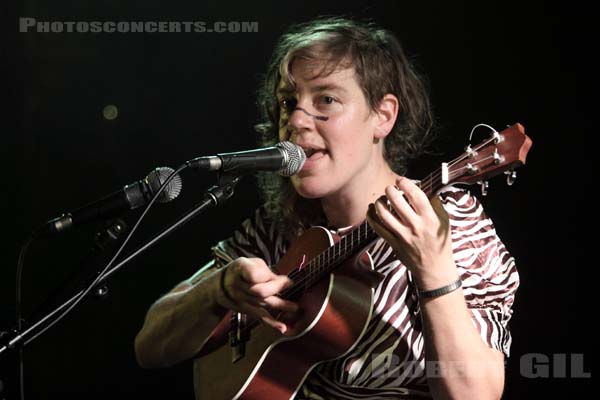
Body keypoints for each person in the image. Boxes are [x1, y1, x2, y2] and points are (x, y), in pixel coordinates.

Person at [134, 16, 519, 399]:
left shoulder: (445, 220)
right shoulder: (278, 230)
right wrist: (218, 291)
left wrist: (433, 271)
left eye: (326, 100)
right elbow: (149, 347)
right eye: (288, 102)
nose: (296, 120)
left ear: (382, 116)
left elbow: (476, 395)